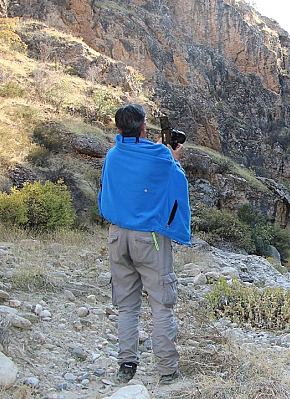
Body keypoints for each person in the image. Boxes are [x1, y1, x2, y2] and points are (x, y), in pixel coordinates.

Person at [98, 104, 190, 385]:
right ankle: (167, 371)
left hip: (117, 235)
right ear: (142, 128)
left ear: (117, 130)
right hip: (149, 238)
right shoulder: (161, 156)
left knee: (127, 305)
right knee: (161, 304)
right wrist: (174, 157)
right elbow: (177, 181)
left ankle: (126, 365)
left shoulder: (113, 155)